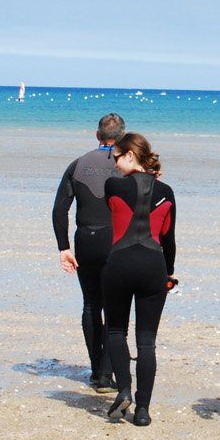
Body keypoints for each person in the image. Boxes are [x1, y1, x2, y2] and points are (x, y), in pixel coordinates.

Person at [101, 132, 177, 427]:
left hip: (118, 264)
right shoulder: (167, 192)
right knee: (147, 342)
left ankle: (123, 390)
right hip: (152, 267)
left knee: (116, 331)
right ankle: (143, 410)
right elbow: (169, 240)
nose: (115, 164)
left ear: (130, 156)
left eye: (117, 157)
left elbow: (117, 208)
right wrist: (168, 274)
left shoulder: (113, 186)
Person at [52, 113, 126, 393]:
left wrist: (63, 248)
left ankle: (96, 371)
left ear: (97, 135)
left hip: (85, 239)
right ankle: (106, 375)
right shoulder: (127, 166)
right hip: (114, 241)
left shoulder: (78, 164)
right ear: (123, 137)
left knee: (91, 305)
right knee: (114, 308)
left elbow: (60, 209)